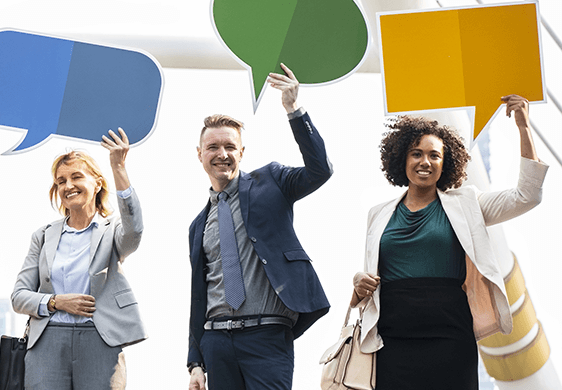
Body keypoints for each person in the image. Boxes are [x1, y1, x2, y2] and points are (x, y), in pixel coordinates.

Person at [351, 94, 548, 389]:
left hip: (450, 333)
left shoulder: (467, 204)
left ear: (446, 163)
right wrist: (358, 280)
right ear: (402, 158)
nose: (425, 162)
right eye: (416, 153)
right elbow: (371, 273)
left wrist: (523, 127)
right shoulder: (377, 215)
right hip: (391, 338)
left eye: (435, 155)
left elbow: (526, 196)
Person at [187, 64, 333, 390]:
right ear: (199, 155)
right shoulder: (198, 225)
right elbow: (200, 294)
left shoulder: (272, 181)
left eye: (229, 147)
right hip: (216, 342)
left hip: (267, 336)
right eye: (213, 147)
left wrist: (294, 108)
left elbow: (320, 170)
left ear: (241, 152)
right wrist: (195, 361)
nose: (222, 154)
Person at [11, 129, 144, 390]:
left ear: (97, 183)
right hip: (47, 342)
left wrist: (118, 167)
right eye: (61, 181)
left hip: (100, 339)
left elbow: (134, 230)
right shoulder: (43, 236)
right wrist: (55, 302)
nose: (68, 186)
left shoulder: (113, 232)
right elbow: (18, 296)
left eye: (76, 177)